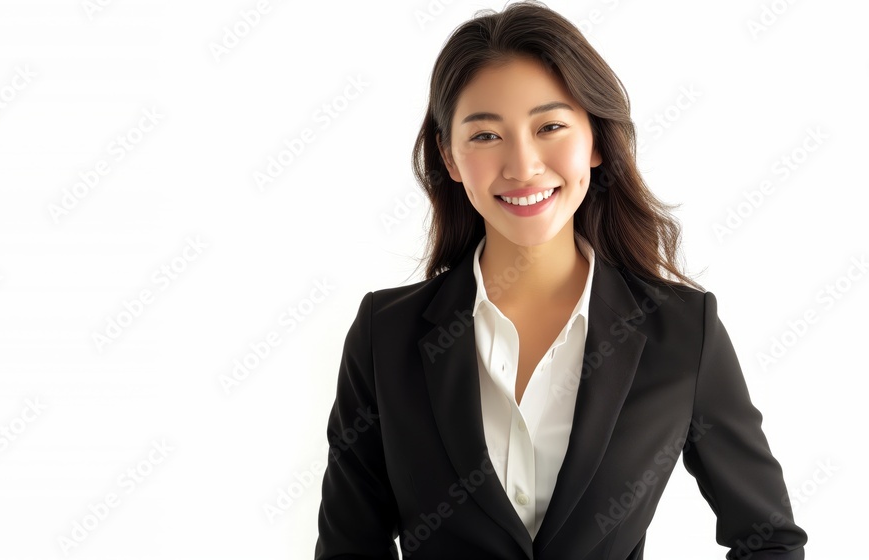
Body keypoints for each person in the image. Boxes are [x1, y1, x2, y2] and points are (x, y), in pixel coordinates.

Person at [314, 2, 808, 558]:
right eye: (484, 136)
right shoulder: (386, 335)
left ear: (595, 141)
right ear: (449, 157)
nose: (522, 166)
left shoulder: (683, 334)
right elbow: (349, 546)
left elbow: (769, 540)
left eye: (549, 126)